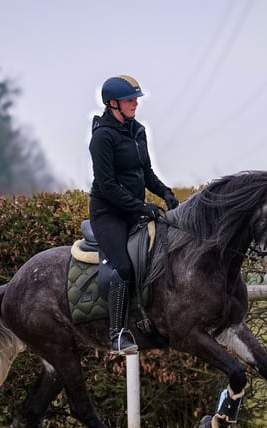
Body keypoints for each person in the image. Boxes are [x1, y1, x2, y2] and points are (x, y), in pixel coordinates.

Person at [88, 75, 179, 355]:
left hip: (132, 211)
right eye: (130, 100)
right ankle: (117, 334)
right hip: (108, 214)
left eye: (136, 99)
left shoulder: (138, 131)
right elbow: (108, 186)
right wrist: (142, 207)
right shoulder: (102, 138)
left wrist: (165, 193)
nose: (135, 104)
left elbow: (146, 173)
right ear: (113, 103)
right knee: (124, 268)